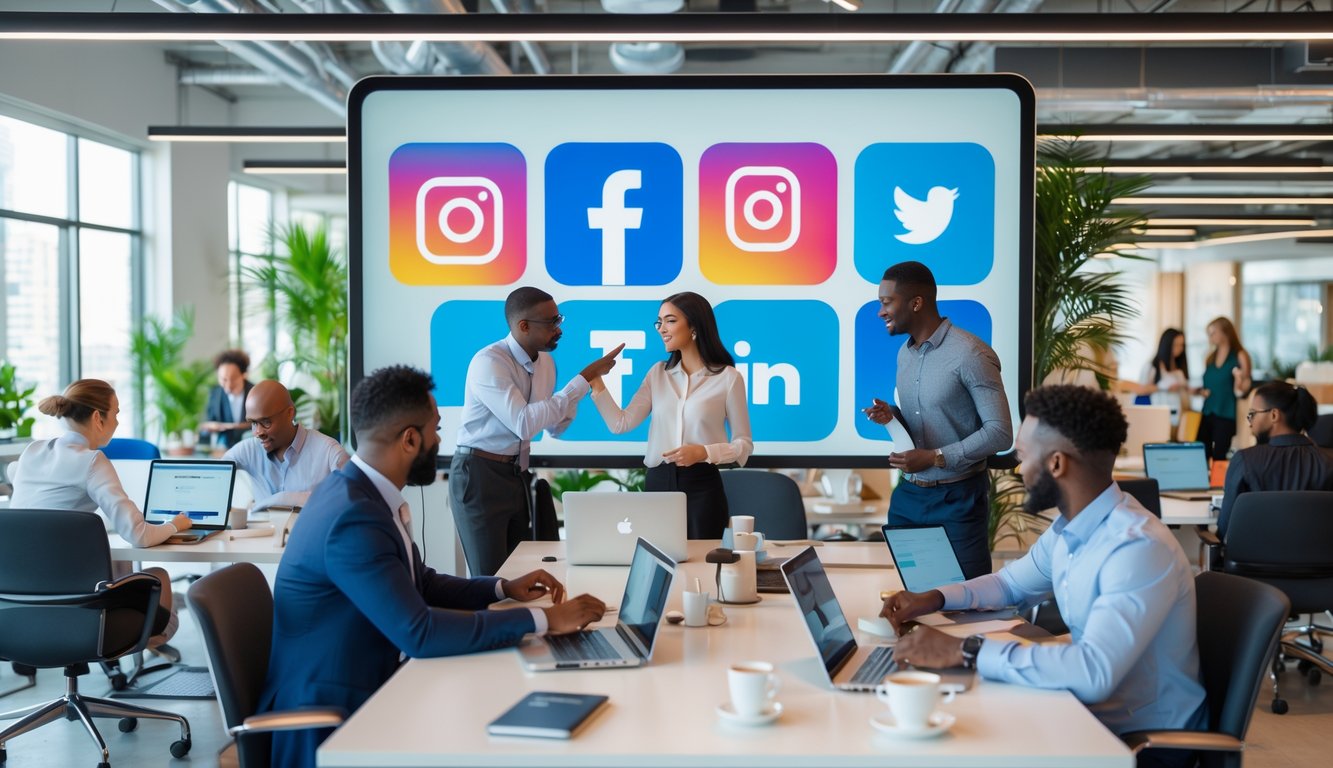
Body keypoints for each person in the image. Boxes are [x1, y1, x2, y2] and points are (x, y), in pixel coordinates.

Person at [259, 366, 607, 768]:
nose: (441, 440)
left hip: (369, 687)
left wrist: (501, 589)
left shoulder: (360, 493)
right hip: (330, 719)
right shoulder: (353, 516)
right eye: (436, 429)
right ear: (410, 439)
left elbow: (419, 583)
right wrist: (543, 620)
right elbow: (418, 633)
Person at [883, 384, 1206, 768]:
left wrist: (966, 650)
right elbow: (1009, 585)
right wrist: (934, 597)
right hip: (1088, 715)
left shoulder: (1136, 548)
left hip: (1140, 743)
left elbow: (1093, 672)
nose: (1019, 469)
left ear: (1056, 464)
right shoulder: (1071, 529)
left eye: (1022, 456)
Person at [8, 379, 191, 656]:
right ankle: (149, 643)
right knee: (159, 578)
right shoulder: (92, 461)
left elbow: (22, 487)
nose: (117, 422)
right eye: (115, 413)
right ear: (98, 417)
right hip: (76, 613)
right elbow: (138, 535)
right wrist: (174, 524)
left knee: (118, 566)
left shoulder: (31, 453)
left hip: (14, 613)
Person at [450, 286, 622, 576]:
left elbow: (555, 428)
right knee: (489, 578)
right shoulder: (489, 362)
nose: (558, 329)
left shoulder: (547, 364)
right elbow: (525, 423)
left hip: (516, 474)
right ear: (523, 326)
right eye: (551, 322)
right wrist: (581, 381)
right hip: (479, 474)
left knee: (520, 573)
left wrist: (580, 391)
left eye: (559, 320)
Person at [864, 261, 1013, 579]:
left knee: (967, 602)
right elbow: (927, 421)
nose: (881, 311)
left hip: (957, 501)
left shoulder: (971, 354)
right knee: (911, 597)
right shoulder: (905, 353)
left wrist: (935, 457)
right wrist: (893, 416)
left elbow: (1000, 433)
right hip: (908, 498)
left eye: (886, 302)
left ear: (916, 303)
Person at [590, 291, 753, 539]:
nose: (661, 328)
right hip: (658, 483)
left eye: (670, 320)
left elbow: (744, 444)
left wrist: (704, 452)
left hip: (703, 486)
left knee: (704, 564)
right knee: (659, 561)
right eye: (659, 321)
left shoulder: (728, 378)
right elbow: (620, 424)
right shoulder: (657, 374)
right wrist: (596, 382)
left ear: (694, 326)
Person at [1217, 381, 1333, 539]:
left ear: (1274, 415)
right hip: (1318, 561)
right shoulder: (1328, 461)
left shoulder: (1244, 461)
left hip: (1255, 561)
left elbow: (1226, 528)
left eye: (1252, 414)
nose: (1250, 423)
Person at [221, 379, 349, 511]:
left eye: (266, 422)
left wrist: (278, 500)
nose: (258, 432)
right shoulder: (248, 450)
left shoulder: (329, 452)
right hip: (261, 532)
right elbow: (215, 476)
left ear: (290, 413)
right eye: (253, 423)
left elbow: (353, 500)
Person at [1196, 317, 1252, 461]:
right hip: (1208, 410)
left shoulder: (1239, 355)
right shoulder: (1210, 358)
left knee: (1219, 456)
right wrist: (1202, 392)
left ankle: (1219, 483)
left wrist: (1239, 383)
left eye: (1213, 332)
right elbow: (1207, 384)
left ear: (1225, 332)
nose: (1210, 336)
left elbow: (1246, 384)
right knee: (1200, 451)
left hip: (1226, 412)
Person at [1129, 328, 1190, 425]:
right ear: (1167, 345)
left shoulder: (1179, 368)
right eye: (1176, 345)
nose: (1179, 349)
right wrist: (1164, 387)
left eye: (1181, 345)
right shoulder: (1152, 366)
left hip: (1176, 416)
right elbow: (1141, 390)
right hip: (1156, 416)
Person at [200, 349, 254, 449]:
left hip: (251, 448)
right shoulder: (214, 394)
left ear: (243, 375)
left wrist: (229, 426)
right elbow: (206, 423)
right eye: (223, 379)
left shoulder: (255, 392)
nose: (228, 386)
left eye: (233, 379)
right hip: (223, 450)